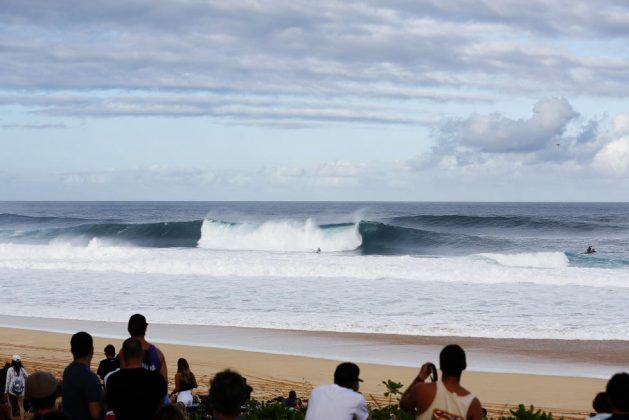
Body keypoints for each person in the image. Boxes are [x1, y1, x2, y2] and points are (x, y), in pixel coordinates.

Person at [400, 344, 482, 420]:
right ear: (464, 366)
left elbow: (404, 404)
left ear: (441, 365)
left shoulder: (422, 390)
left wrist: (420, 378)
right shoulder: (473, 404)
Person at [106, 337, 168, 420]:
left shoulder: (113, 380)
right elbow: (161, 404)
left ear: (123, 355)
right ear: (142, 354)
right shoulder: (157, 379)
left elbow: (111, 407)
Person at [305, 362, 369, 420]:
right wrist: (355, 392)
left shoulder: (316, 391)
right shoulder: (357, 398)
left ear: (335, 378)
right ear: (354, 383)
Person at [62, 332, 103, 420]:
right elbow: (95, 414)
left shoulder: (67, 371)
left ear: (72, 350)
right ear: (92, 350)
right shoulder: (90, 378)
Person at [125, 314, 168, 384]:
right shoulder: (158, 353)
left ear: (129, 329)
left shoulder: (124, 352)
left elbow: (123, 378)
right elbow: (164, 382)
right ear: (145, 328)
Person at [4, 355, 28, 420]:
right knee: (21, 405)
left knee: (11, 403)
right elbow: (27, 377)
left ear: (12, 361)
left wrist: (6, 391)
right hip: (21, 390)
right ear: (20, 362)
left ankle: (11, 417)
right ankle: (22, 418)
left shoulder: (10, 369)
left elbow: (7, 381)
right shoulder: (22, 369)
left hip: (12, 390)